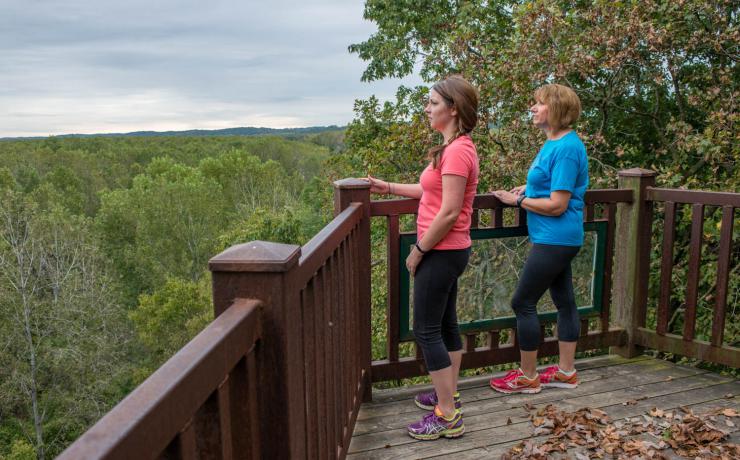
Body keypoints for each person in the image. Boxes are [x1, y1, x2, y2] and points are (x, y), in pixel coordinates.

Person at [367, 75, 479, 440]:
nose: (427, 109)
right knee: (445, 326)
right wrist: (387, 187)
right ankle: (450, 395)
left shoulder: (459, 151)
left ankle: (447, 415)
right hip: (448, 251)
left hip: (441, 251)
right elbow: (429, 191)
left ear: (453, 108)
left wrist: (418, 250)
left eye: (432, 103)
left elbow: (448, 212)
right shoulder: (452, 148)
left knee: (425, 330)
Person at [490, 83, 588, 394]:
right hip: (557, 237)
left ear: (557, 109)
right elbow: (548, 184)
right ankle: (566, 372)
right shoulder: (553, 143)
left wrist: (516, 201)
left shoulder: (567, 149)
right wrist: (527, 188)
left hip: (555, 237)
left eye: (539, 104)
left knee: (523, 302)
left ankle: (528, 377)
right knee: (565, 301)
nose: (533, 108)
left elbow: (558, 204)